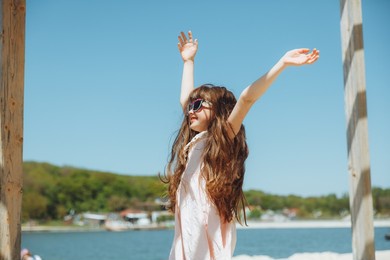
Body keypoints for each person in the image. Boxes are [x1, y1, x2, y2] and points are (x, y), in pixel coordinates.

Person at [163, 31, 319, 260]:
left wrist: (282, 64)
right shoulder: (193, 143)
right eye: (190, 107)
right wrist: (188, 62)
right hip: (186, 233)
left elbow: (247, 98)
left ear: (219, 111)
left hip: (206, 229)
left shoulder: (221, 138)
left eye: (198, 105)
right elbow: (184, 100)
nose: (191, 110)